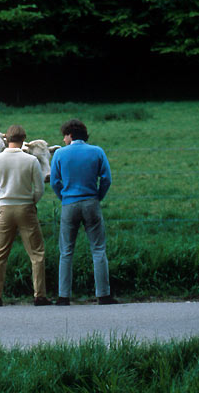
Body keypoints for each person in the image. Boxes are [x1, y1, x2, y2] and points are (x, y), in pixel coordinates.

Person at [50, 119, 117, 305]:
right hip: (91, 202)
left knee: (66, 250)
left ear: (70, 134)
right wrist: (97, 197)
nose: (63, 139)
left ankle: (64, 296)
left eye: (64, 135)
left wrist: (64, 197)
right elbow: (106, 179)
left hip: (69, 204)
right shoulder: (97, 152)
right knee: (98, 249)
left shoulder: (60, 154)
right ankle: (103, 294)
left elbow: (55, 181)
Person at [0, 125, 51, 307]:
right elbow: (39, 188)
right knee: (36, 253)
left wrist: (1, 199)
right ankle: (39, 295)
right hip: (26, 207)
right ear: (24, 139)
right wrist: (31, 202)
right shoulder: (31, 161)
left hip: (5, 208)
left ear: (7, 138)